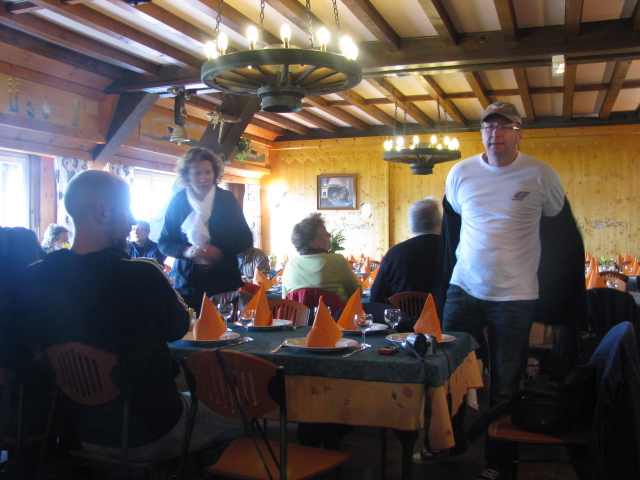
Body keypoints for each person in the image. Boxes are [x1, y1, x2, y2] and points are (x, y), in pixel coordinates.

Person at [17, 170, 243, 463]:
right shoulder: (141, 275)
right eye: (127, 210)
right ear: (102, 212)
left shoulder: (35, 276)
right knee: (245, 414)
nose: (132, 221)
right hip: (153, 428)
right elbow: (178, 328)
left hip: (79, 431)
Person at [437, 102, 586, 480]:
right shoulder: (460, 173)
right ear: (481, 133)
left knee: (505, 385)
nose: (496, 133)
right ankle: (447, 443)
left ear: (519, 133)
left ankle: (498, 463)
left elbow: (561, 230)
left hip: (516, 296)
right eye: (489, 127)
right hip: (464, 288)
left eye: (505, 126)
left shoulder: (541, 174)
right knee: (449, 373)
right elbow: (452, 223)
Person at [158, 147, 253, 312]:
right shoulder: (178, 201)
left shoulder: (227, 200)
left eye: (208, 172)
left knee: (224, 326)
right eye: (197, 173)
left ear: (215, 173)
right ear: (187, 175)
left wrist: (219, 251)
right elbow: (164, 243)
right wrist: (186, 251)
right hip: (188, 284)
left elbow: (245, 239)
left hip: (224, 282)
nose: (203, 178)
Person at [370, 197, 441, 303]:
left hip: (401, 313)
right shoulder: (453, 250)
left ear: (411, 225)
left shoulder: (395, 253)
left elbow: (376, 297)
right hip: (446, 313)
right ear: (439, 221)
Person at [281, 213, 360, 303]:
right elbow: (357, 292)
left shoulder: (290, 264)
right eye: (325, 234)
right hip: (335, 312)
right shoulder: (337, 260)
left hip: (297, 312)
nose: (329, 235)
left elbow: (285, 299)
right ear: (312, 241)